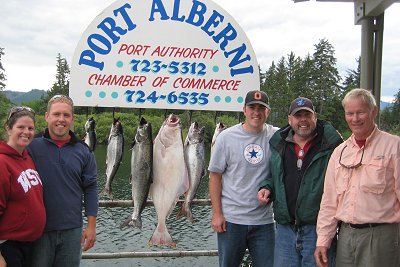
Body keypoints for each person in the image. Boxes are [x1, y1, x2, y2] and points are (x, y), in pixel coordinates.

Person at [314, 88, 400, 267]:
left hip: (381, 236)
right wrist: (323, 240)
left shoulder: (394, 147)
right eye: (350, 113)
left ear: (373, 112)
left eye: (360, 112)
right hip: (345, 236)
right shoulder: (339, 152)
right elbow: (329, 201)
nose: (355, 119)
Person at [257, 97, 342, 267]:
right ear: (290, 119)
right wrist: (267, 187)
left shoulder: (332, 146)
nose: (303, 120)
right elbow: (277, 176)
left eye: (307, 115)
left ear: (315, 117)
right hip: (284, 230)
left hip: (318, 231)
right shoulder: (279, 144)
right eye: (298, 115)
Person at [208, 90, 277, 267]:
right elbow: (215, 176)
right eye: (252, 107)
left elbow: (303, 132)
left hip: (264, 222)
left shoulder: (277, 136)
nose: (256, 112)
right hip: (231, 221)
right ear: (244, 110)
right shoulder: (226, 137)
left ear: (267, 112)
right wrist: (217, 214)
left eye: (261, 108)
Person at [28, 95, 98, 267]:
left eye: (66, 115)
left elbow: (91, 189)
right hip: (38, 230)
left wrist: (91, 226)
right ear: (47, 116)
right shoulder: (30, 146)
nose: (61, 119)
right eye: (56, 114)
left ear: (72, 119)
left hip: (72, 231)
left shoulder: (84, 151)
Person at [0, 106, 46, 267]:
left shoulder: (26, 157)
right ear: (8, 128)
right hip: (8, 246)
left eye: (30, 128)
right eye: (20, 127)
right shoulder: (2, 162)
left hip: (30, 245)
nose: (26, 132)